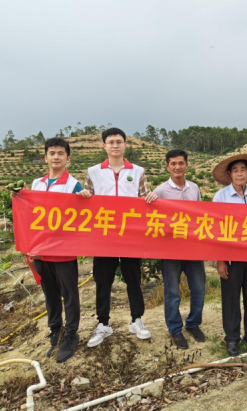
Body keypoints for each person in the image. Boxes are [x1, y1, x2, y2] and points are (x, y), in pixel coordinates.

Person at [78, 127, 156, 347]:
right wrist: (84, 195)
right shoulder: (93, 172)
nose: (115, 145)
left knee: (133, 278)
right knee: (103, 280)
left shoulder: (138, 171)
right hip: (103, 236)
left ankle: (136, 320)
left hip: (130, 235)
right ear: (104, 145)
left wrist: (151, 196)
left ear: (125, 145)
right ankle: (103, 323)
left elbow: (144, 197)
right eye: (111, 142)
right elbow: (88, 198)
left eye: (119, 141)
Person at [19, 137, 82, 363]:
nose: (56, 157)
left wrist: (85, 198)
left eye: (60, 153)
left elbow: (83, 215)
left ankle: (71, 335)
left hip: (64, 250)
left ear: (68, 158)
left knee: (70, 295)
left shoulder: (74, 185)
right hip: (41, 250)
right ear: (45, 158)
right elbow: (30, 213)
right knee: (50, 294)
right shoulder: (37, 184)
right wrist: (19, 197)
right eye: (52, 153)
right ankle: (56, 331)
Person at [144, 149, 206, 349]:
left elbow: (200, 215)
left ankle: (193, 323)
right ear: (167, 166)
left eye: (181, 163)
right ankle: (175, 329)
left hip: (193, 249)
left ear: (187, 165)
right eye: (173, 164)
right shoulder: (160, 191)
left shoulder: (194, 188)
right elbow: (150, 214)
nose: (177, 167)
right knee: (172, 292)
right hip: (170, 251)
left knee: (199, 288)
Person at [212, 153, 247, 357]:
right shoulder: (221, 197)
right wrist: (220, 260)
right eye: (235, 170)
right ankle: (232, 338)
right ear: (229, 174)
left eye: (242, 170)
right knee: (231, 299)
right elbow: (215, 229)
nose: (239, 174)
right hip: (231, 257)